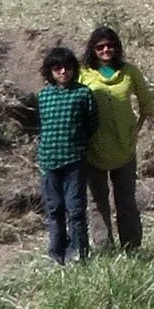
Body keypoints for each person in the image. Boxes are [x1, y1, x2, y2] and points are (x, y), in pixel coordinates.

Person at [79, 25, 154, 250]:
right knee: (97, 201)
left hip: (124, 149)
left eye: (110, 45)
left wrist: (134, 131)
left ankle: (132, 247)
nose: (106, 50)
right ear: (93, 49)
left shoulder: (129, 72)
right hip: (93, 150)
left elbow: (147, 105)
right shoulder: (83, 74)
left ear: (117, 47)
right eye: (100, 47)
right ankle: (104, 248)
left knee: (126, 200)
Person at [36, 45, 96, 265]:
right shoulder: (43, 96)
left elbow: (92, 124)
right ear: (50, 71)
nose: (63, 72)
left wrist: (78, 144)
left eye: (67, 67)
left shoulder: (83, 94)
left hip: (74, 161)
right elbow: (41, 125)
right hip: (49, 161)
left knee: (76, 209)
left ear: (74, 69)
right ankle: (56, 252)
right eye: (57, 68)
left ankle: (79, 253)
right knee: (54, 209)